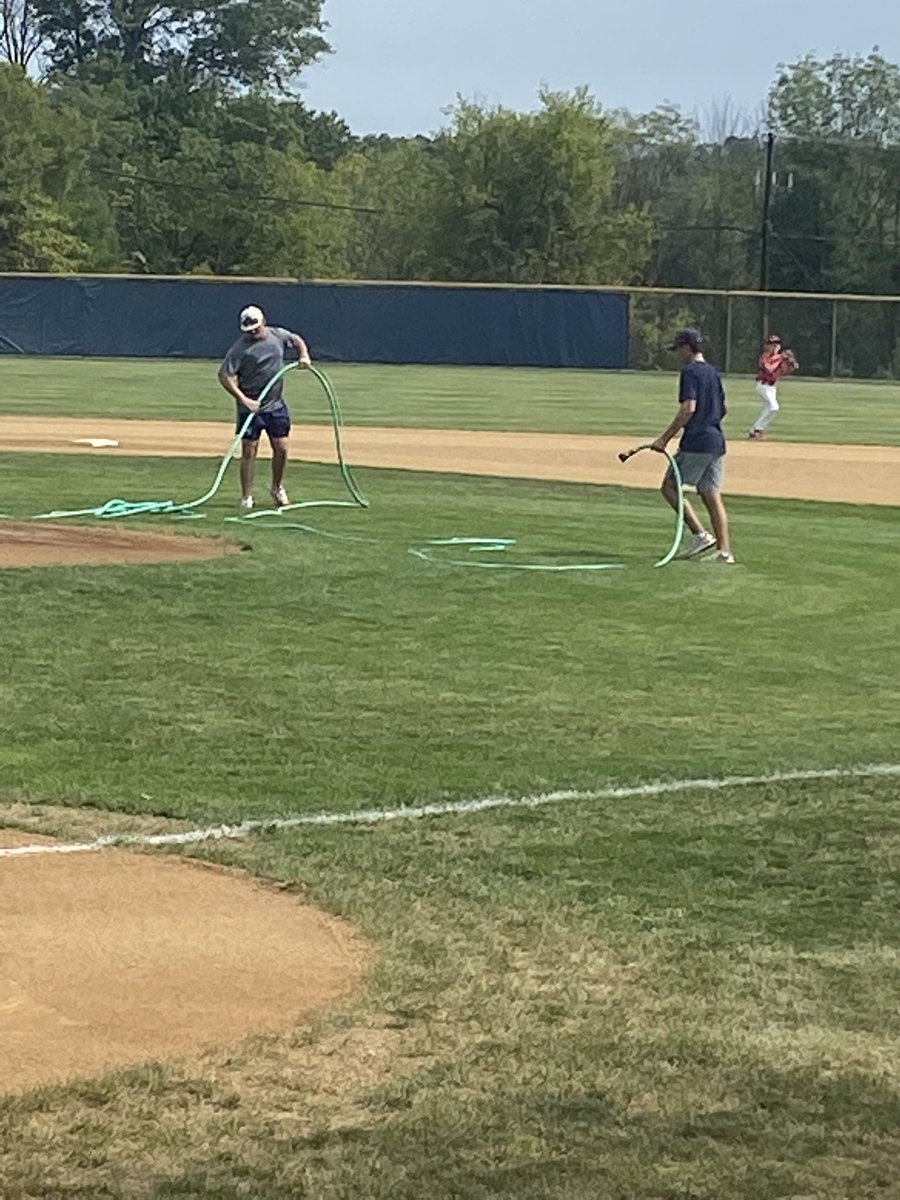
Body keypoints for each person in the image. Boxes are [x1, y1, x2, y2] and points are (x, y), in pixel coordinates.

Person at [651, 327, 734, 564]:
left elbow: (688, 408)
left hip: (696, 442)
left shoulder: (690, 373)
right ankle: (725, 551)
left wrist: (664, 439)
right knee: (711, 494)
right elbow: (723, 408)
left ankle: (700, 534)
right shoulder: (713, 372)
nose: (678, 353)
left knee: (669, 487)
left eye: (679, 348)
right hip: (716, 441)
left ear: (687, 347)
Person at [218, 305, 311, 510]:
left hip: (275, 405)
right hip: (250, 408)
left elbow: (296, 340)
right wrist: (244, 400)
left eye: (255, 328)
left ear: (263, 322)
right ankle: (246, 497)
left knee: (282, 447)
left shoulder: (277, 335)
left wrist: (303, 355)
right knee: (249, 451)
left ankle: (277, 487)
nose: (252, 332)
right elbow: (224, 376)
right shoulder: (239, 349)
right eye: (248, 330)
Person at [749, 333, 798, 439]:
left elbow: (783, 372)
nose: (775, 346)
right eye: (772, 344)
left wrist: (791, 364)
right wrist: (781, 359)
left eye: (777, 344)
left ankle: (755, 430)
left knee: (767, 409)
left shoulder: (780, 358)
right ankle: (758, 428)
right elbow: (769, 369)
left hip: (772, 387)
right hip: (763, 386)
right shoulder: (765, 356)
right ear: (767, 346)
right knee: (774, 407)